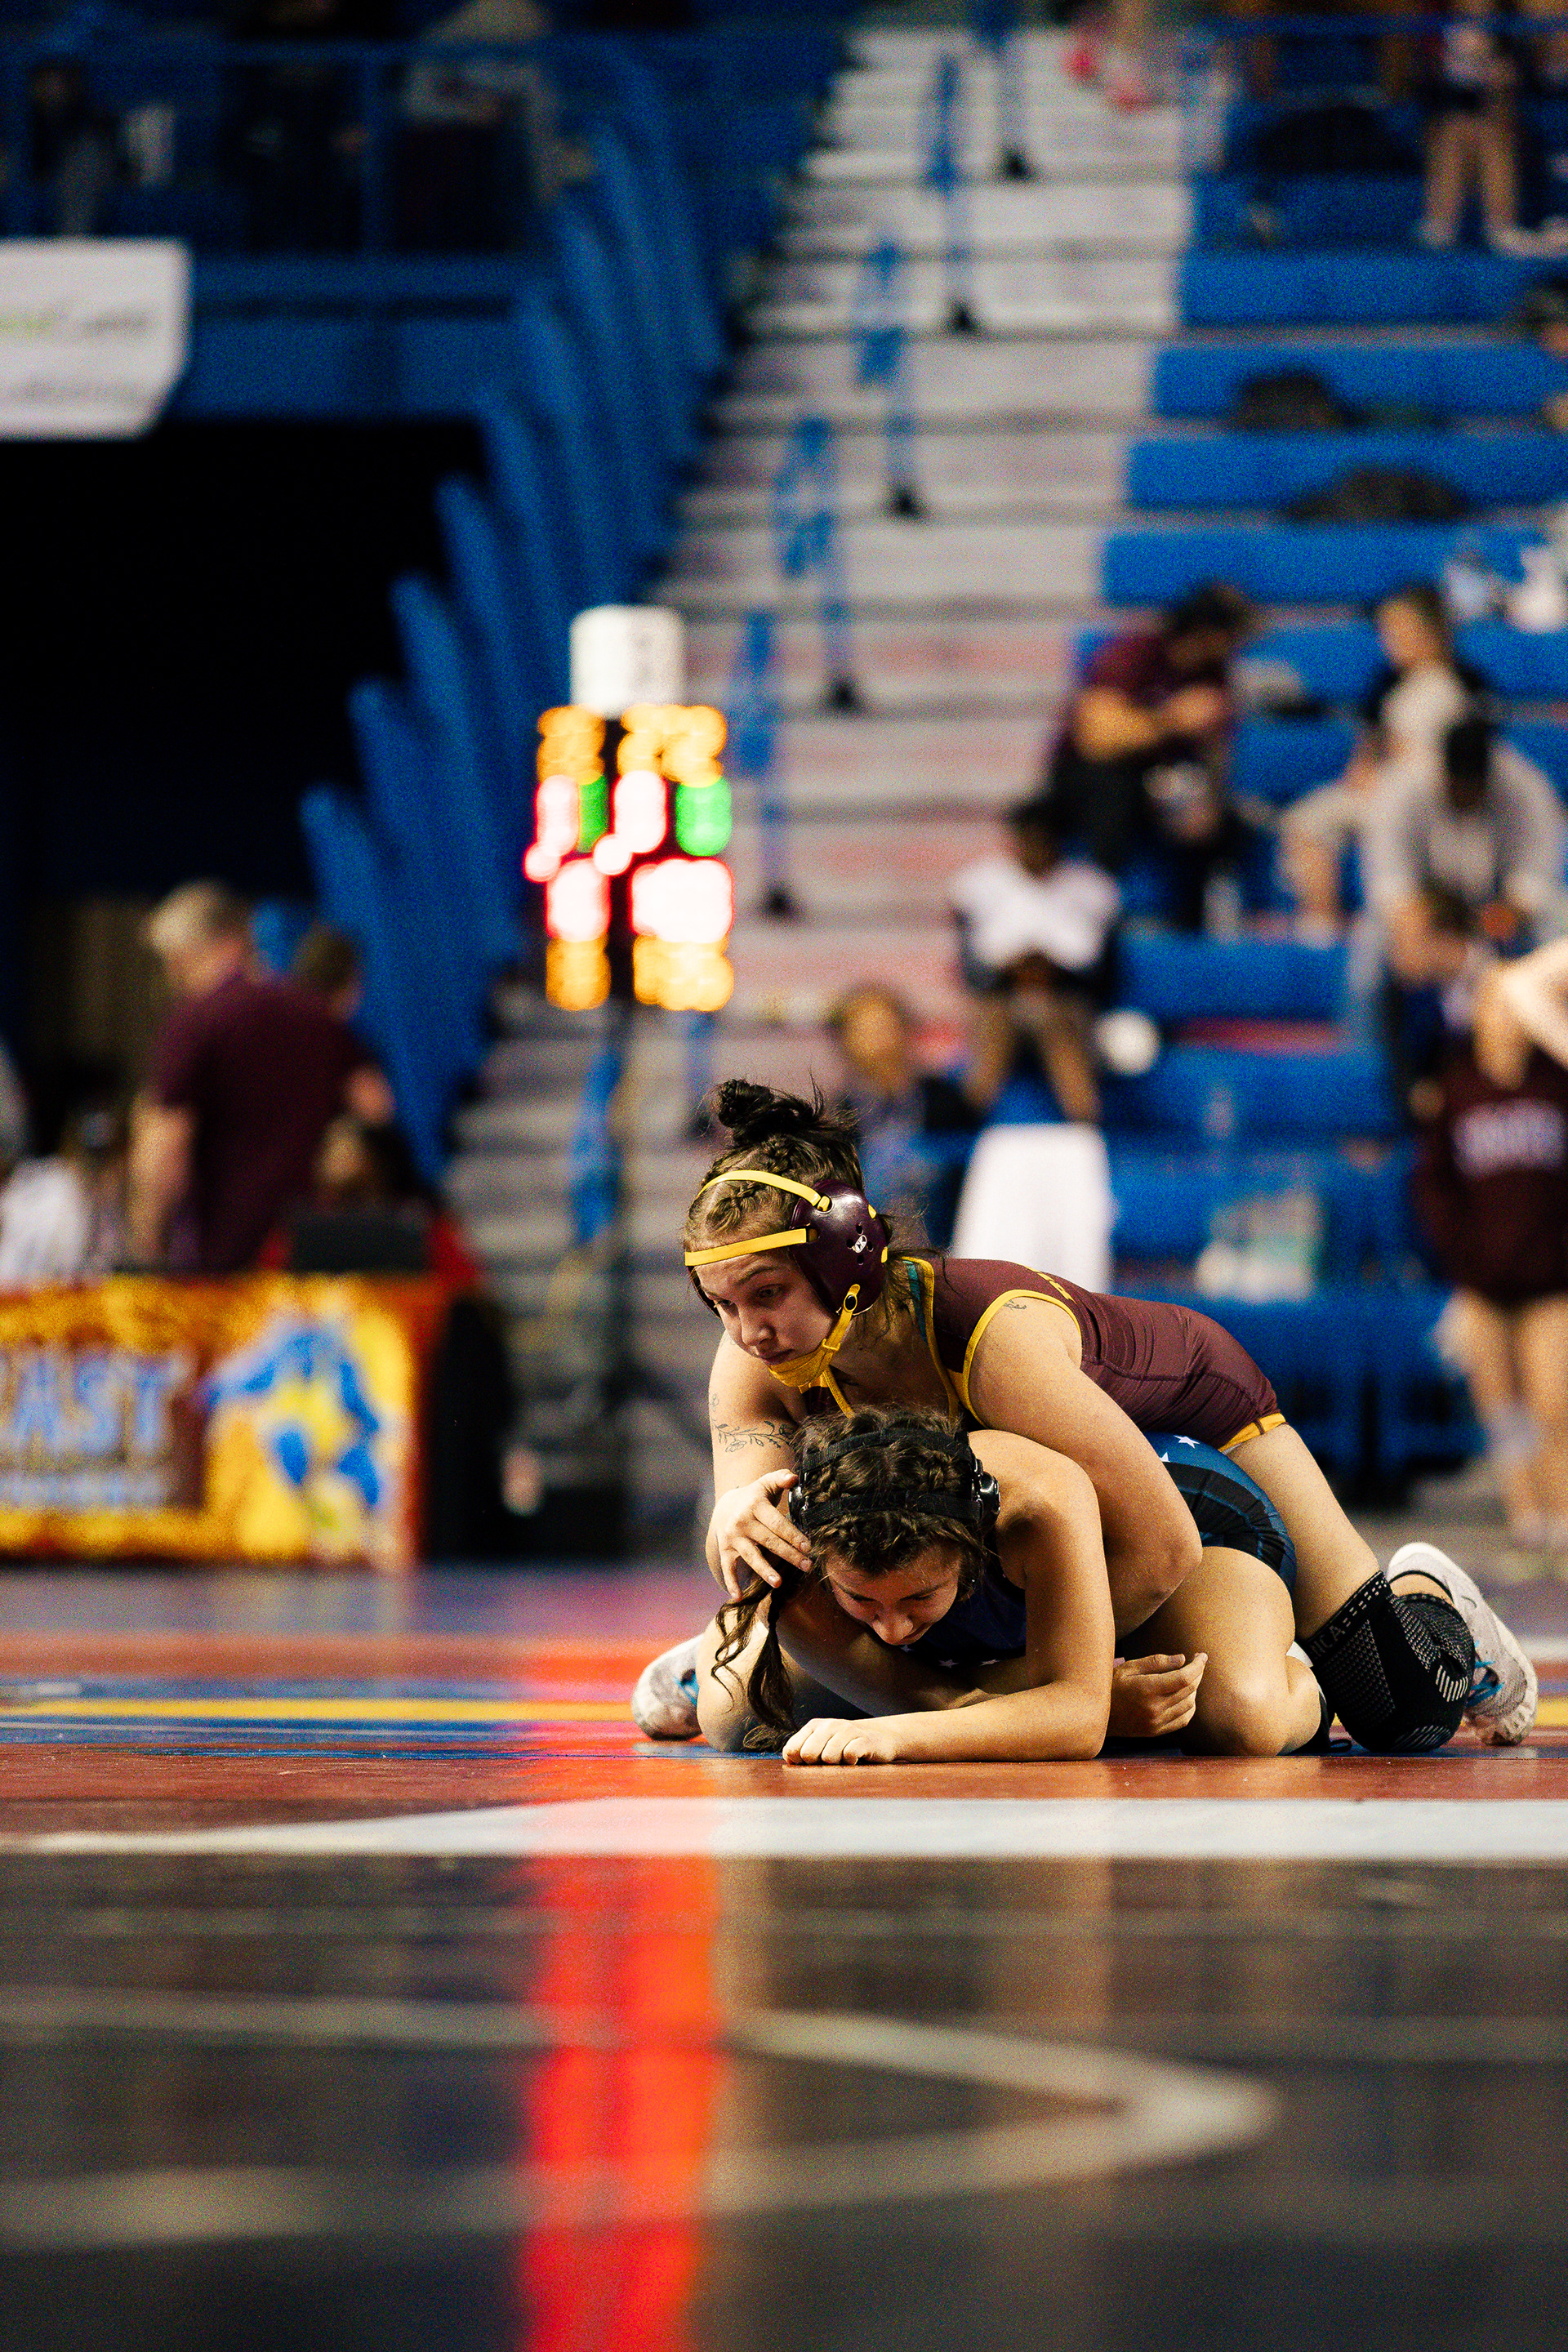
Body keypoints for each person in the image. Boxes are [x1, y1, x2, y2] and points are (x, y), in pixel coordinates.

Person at [630, 1080, 1536, 1753]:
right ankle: (725, 1655)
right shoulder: (754, 1362)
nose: (746, 1330)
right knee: (752, 1702)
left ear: (846, 1261)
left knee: (1399, 1706)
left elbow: (1161, 1545)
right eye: (722, 1303)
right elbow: (759, 1553)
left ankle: (1429, 1600)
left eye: (767, 1294)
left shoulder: (994, 1343)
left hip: (1194, 1426)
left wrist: (1055, 1686)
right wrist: (734, 1521)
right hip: (1023, 1526)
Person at [694, 1408, 1330, 1763]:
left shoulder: (1039, 1505)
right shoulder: (792, 1540)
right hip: (1007, 1606)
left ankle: (1302, 1678)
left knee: (1242, 1718)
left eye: (919, 1597)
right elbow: (940, 1701)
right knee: (732, 1708)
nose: (891, 1628)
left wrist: (896, 1736)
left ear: (971, 1548)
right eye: (860, 1599)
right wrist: (1081, 1706)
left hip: (1195, 1544)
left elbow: (1079, 1724)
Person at [131, 882, 394, 1273]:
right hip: (303, 1249)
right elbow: (376, 1107)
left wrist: (147, 1234)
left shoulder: (195, 1021)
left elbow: (166, 1144)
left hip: (222, 1258)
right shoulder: (315, 1015)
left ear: (226, 944)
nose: (173, 978)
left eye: (178, 961)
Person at [1414, 965, 1568, 1548]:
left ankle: (1560, 1507)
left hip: (1550, 1277)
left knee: (1553, 1402)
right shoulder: (1458, 1090)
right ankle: (1525, 1513)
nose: (1504, 1019)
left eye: (1513, 1007)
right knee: (1503, 1410)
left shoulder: (1556, 1085)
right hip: (1480, 1279)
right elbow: (1434, 1184)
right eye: (1494, 1006)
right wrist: (1460, 1255)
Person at [1367, 714, 1567, 1107]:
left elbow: (1540, 873)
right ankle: (1385, 1081)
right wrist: (1416, 926)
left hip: (1503, 910)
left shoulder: (1524, 787)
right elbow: (1390, 881)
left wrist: (1514, 909)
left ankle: (1549, 1080)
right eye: (1457, 785)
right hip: (1428, 907)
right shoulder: (1404, 787)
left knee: (1558, 928)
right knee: (1372, 949)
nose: (1464, 794)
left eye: (1473, 787)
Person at [1041, 583, 1258, 932]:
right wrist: (1172, 719)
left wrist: (1206, 796)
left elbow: (1216, 757)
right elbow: (1096, 738)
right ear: (1208, 633)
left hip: (1161, 780)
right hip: (1090, 777)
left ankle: (1194, 930)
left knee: (1224, 823)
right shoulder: (1136, 654)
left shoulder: (1215, 676)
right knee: (1112, 794)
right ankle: (1095, 919)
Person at [1281, 585, 1476, 935]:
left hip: (1417, 800)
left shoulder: (1443, 689)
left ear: (1430, 633)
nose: (1390, 640)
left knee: (1308, 822)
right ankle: (1321, 926)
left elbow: (1425, 761)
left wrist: (1381, 777)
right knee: (1307, 819)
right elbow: (1375, 750)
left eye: (1400, 631)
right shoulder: (1400, 686)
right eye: (1387, 631)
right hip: (1390, 791)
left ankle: (1323, 928)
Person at [949, 793, 1119, 1122]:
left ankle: (1085, 1124)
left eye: (1045, 838)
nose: (1036, 846)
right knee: (997, 1025)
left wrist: (1049, 974)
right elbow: (972, 970)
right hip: (999, 999)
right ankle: (968, 1123)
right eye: (1028, 838)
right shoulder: (977, 885)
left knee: (1052, 1022)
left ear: (1060, 840)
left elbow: (1103, 974)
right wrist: (1015, 971)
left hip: (1067, 1003)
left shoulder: (1092, 887)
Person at [826, 983, 980, 1246]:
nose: (879, 1040)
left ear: (906, 1031)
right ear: (845, 1041)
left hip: (947, 1240)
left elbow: (974, 1163)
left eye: (885, 1027)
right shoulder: (839, 1115)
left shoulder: (945, 1098)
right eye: (865, 1030)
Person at [1419, 0, 1529, 251]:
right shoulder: (1435, 35)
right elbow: (1425, 100)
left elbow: (1517, 107)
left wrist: (1499, 88)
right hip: (1445, 130)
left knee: (1488, 134)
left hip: (1501, 129)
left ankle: (1502, 227)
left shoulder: (1511, 35)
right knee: (1455, 130)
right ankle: (1440, 224)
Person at [0, 1099, 127, 1287]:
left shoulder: (112, 1201)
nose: (95, 1166)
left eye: (104, 1157)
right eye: (90, 1155)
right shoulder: (51, 1192)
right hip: (23, 1292)